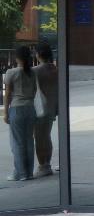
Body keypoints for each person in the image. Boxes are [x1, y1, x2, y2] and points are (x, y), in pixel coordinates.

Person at [3, 46, 37, 182]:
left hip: (17, 108)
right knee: (29, 140)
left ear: (17, 57)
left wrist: (6, 113)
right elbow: (34, 91)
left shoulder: (11, 72)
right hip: (30, 108)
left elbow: (7, 94)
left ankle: (20, 173)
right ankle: (28, 172)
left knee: (17, 142)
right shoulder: (32, 72)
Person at [32, 42, 57, 178]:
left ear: (38, 54)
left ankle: (43, 166)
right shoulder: (55, 69)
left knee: (39, 138)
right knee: (46, 136)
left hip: (40, 108)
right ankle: (47, 164)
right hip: (52, 107)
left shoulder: (36, 71)